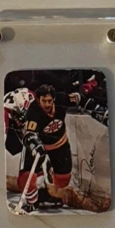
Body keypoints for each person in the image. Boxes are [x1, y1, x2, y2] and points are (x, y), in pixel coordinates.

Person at [15, 83, 73, 213]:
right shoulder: (33, 110)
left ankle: (48, 171)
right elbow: (29, 135)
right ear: (38, 100)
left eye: (49, 101)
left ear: (54, 99)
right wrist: (34, 146)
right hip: (38, 145)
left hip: (59, 143)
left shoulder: (62, 99)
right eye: (44, 101)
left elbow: (79, 99)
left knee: (63, 181)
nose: (47, 104)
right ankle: (33, 202)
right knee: (24, 180)